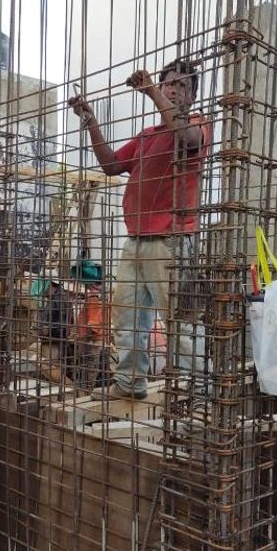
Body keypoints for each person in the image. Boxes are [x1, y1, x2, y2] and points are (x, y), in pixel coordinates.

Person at [68, 60, 210, 400]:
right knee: (128, 319)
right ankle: (129, 383)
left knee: (181, 321)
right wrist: (91, 122)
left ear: (192, 96)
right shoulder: (147, 136)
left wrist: (150, 92)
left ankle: (200, 391)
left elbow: (188, 139)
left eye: (182, 85)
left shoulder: (197, 124)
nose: (173, 89)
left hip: (173, 241)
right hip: (135, 241)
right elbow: (111, 164)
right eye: (168, 83)